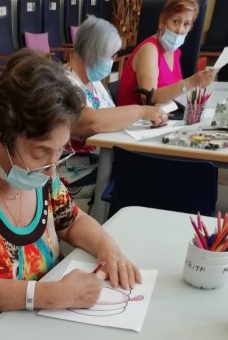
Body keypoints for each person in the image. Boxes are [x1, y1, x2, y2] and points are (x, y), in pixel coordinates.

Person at [0, 49, 141, 332]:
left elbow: (71, 220)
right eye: (41, 152)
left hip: (47, 322)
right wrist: (54, 294)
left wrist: (108, 249)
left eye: (59, 151)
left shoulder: (40, 171)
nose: (52, 169)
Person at [60, 16, 169, 202]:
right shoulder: (64, 82)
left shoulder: (93, 82)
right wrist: (141, 111)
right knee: (148, 180)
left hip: (105, 160)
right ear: (93, 52)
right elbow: (90, 122)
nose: (113, 60)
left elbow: (109, 116)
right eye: (110, 56)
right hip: (77, 168)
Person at [117, 0, 216, 107]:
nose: (180, 30)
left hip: (164, 115)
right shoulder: (149, 49)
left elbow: (175, 93)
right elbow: (148, 98)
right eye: (176, 21)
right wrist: (191, 82)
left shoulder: (174, 52)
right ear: (162, 21)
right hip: (135, 117)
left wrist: (198, 83)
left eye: (186, 24)